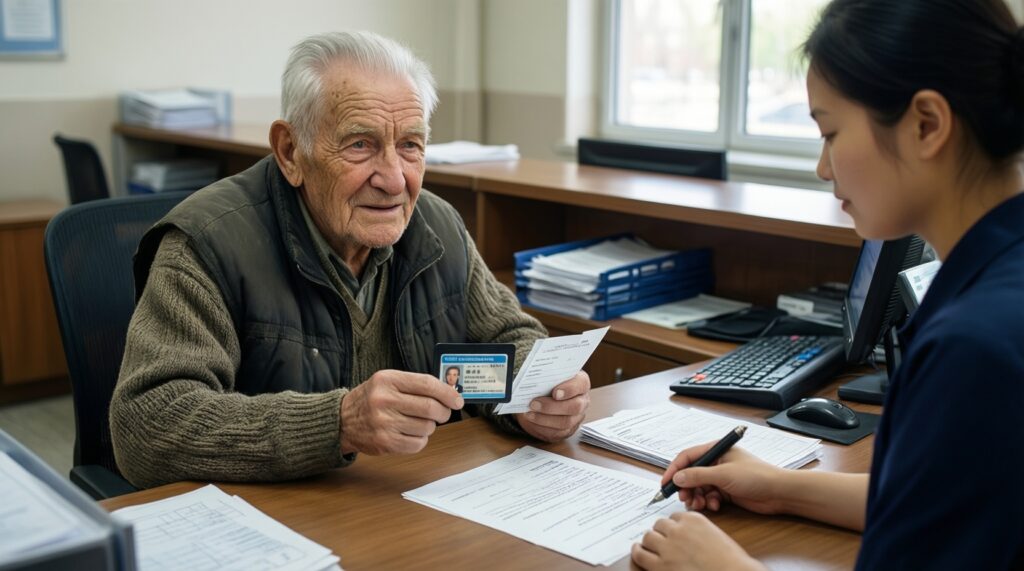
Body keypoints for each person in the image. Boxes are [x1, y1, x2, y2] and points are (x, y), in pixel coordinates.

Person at [632, 0, 1024, 569]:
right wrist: (780, 487)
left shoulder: (976, 347)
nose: (823, 167)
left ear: (927, 125)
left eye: (830, 131)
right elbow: (950, 499)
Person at [110, 31, 590, 489]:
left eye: (410, 145)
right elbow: (147, 424)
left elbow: (509, 337)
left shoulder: (435, 226)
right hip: (277, 521)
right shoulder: (207, 244)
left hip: (412, 505)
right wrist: (338, 424)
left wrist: (537, 395)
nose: (394, 180)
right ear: (290, 151)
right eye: (360, 144)